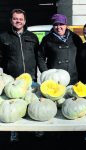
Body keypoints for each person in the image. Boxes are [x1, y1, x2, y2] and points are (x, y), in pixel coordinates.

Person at [0, 8, 39, 142]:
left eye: (21, 19)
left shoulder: (32, 37)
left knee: (32, 103)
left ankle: (36, 127)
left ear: (25, 21)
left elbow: (38, 57)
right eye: (16, 18)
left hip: (30, 78)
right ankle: (14, 130)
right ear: (11, 20)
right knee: (12, 106)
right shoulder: (3, 37)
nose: (18, 21)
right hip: (12, 80)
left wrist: (43, 73)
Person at [37, 13, 83, 85]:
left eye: (61, 24)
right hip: (54, 79)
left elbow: (81, 56)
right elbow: (40, 57)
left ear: (66, 25)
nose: (58, 27)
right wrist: (46, 73)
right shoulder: (47, 39)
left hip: (72, 78)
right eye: (55, 24)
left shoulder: (75, 38)